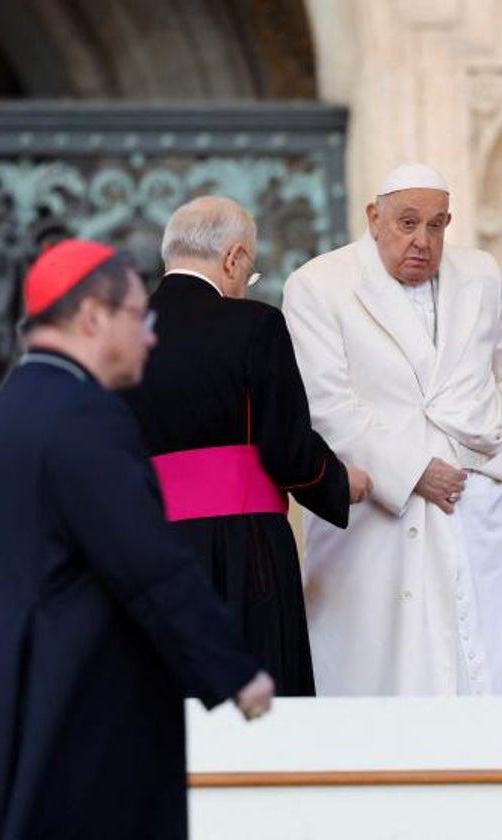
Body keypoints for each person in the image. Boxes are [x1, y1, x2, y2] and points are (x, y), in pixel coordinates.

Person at [0, 240, 274, 840]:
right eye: (140, 317)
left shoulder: (3, 415)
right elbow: (146, 558)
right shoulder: (84, 414)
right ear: (91, 318)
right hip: (64, 700)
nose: (151, 338)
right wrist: (236, 672)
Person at [282, 163, 502, 696]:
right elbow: (327, 405)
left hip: (481, 505)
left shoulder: (480, 273)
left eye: (436, 225)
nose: (422, 241)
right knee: (390, 672)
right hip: (379, 512)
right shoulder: (318, 284)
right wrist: (411, 473)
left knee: (485, 663)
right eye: (407, 223)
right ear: (374, 217)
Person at [122, 196, 368, 696]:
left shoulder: (120, 336)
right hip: (243, 547)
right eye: (248, 272)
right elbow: (286, 451)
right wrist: (342, 483)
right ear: (233, 258)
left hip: (149, 549)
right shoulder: (254, 326)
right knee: (256, 705)